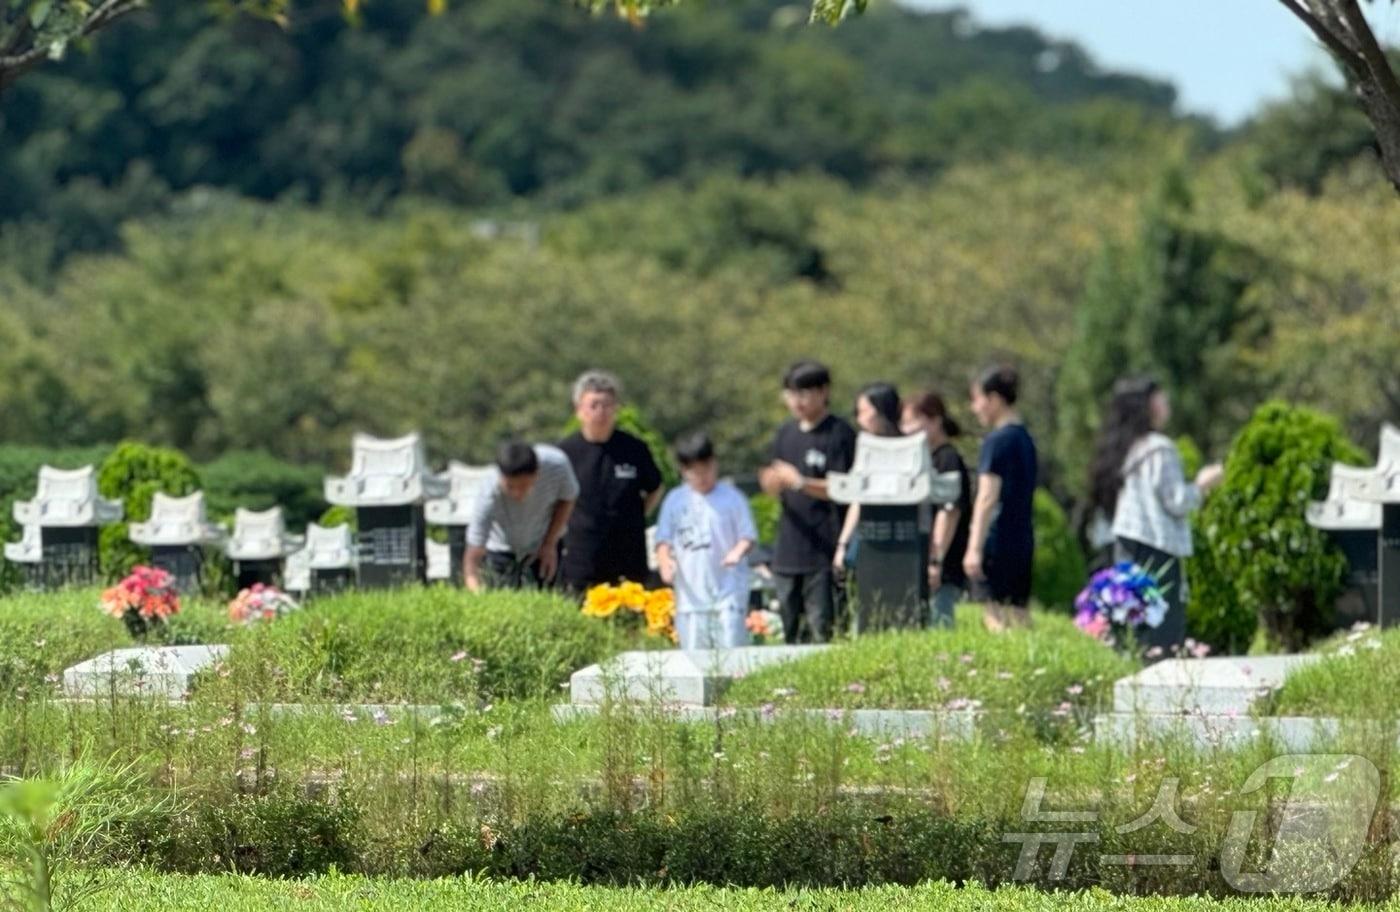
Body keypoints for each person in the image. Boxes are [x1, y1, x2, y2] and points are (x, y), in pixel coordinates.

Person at [1088, 376, 1223, 656]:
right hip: (1157, 546)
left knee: (1132, 621)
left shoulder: (1128, 448)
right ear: (1147, 405)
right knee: (1163, 629)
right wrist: (1203, 484)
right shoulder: (1160, 448)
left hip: (1128, 544)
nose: (1167, 402)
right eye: (1161, 397)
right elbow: (1177, 501)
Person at [758, 360, 857, 644]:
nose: (796, 401)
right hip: (788, 549)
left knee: (824, 629)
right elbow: (773, 478)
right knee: (789, 630)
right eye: (791, 394)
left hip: (825, 549)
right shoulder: (785, 433)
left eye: (804, 393)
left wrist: (801, 482)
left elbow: (846, 488)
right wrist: (770, 481)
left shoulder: (839, 433)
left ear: (823, 391)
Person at [559, 370, 664, 591]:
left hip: (629, 557)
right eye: (594, 405)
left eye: (607, 405)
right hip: (582, 558)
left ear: (616, 408)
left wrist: (637, 515)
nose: (601, 411)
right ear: (579, 410)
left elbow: (655, 487)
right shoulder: (565, 453)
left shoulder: (635, 449)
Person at [655, 432, 758, 650]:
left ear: (714, 464)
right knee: (693, 656)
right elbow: (663, 540)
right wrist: (665, 564)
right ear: (684, 471)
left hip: (728, 592)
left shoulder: (732, 497)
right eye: (695, 472)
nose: (702, 477)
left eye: (706, 470)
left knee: (730, 653)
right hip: (690, 597)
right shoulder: (675, 500)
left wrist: (736, 553)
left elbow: (748, 536)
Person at [964, 364, 1038, 625]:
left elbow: (987, 496)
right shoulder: (1025, 439)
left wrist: (974, 548)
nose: (975, 408)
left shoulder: (996, 442)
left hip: (996, 539)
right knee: (1019, 614)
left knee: (994, 616)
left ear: (994, 399)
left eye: (977, 400)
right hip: (1022, 537)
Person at [463, 440, 579, 593]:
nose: (517, 494)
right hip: (502, 546)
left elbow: (568, 498)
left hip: (543, 538)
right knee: (502, 596)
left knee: (549, 594)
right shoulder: (489, 493)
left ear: (537, 474)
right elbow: (474, 552)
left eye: (524, 486)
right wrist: (475, 591)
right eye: (510, 487)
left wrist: (550, 543)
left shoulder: (557, 465)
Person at [902, 391, 972, 628]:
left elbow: (949, 512)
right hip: (924, 558)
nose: (907, 429)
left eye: (913, 421)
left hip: (943, 562)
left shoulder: (947, 458)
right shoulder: (925, 458)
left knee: (939, 624)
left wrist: (935, 560)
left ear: (935, 420)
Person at [833, 382, 903, 576]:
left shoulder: (910, 445)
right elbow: (858, 499)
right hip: (870, 532)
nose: (860, 418)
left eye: (864, 411)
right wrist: (843, 543)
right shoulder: (864, 447)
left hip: (902, 535)